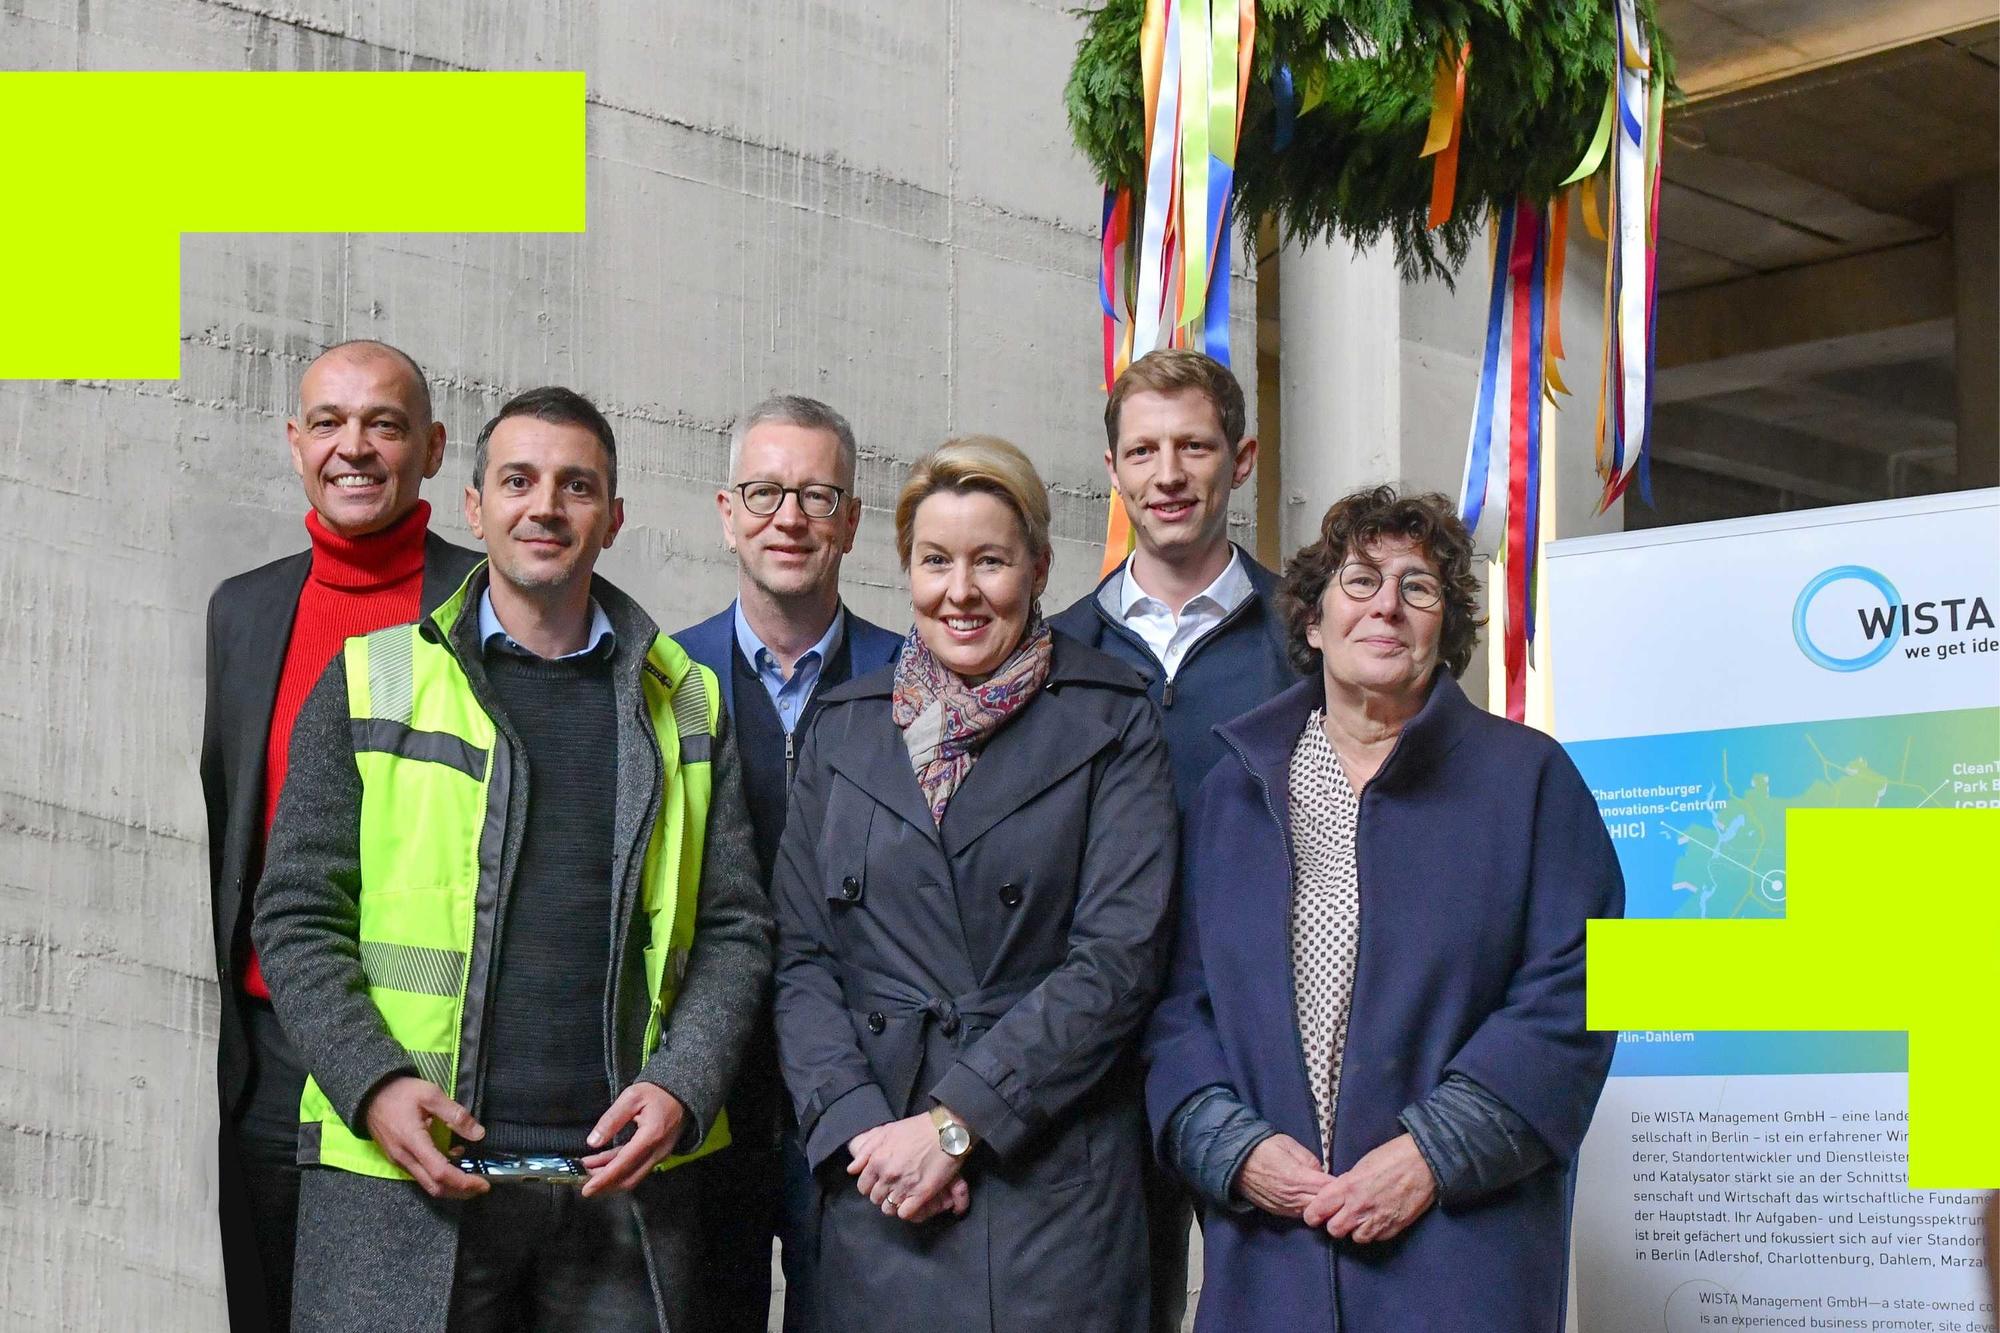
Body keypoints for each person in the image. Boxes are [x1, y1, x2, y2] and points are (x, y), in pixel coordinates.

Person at [252, 386, 773, 1332]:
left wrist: (684, 1083)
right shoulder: (375, 679)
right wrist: (375, 1082)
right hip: (411, 1185)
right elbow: (295, 912)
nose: (545, 506)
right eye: (519, 481)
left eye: (577, 487)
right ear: (475, 505)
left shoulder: (685, 701)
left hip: (619, 1194)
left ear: (612, 519)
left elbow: (736, 926)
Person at [1144, 485, 1624, 1332]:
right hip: (1271, 1256)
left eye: (1419, 587)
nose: (1387, 607)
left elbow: (1580, 995)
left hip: (1459, 1257)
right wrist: (1235, 1149)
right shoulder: (1232, 792)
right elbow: (1176, 1005)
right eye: (1360, 581)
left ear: (1447, 629)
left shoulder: (1532, 780)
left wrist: (1431, 1155)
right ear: (1315, 621)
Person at [771, 437, 1177, 1332]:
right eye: (936, 560)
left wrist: (955, 1127)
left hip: (1045, 1176)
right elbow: (800, 957)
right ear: (906, 568)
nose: (961, 591)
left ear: (1037, 566)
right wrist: (857, 1130)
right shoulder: (841, 728)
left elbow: (1117, 963)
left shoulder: (1114, 718)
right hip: (876, 1175)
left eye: (990, 560)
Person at [201, 338, 481, 1331]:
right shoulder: (243, 612)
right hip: (273, 1050)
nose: (354, 448)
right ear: (294, 442)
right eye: (329, 422)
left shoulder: (486, 606)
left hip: (430, 1055)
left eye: (385, 424)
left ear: (434, 449)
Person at [1048, 347, 1297, 1328]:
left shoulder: (1312, 637)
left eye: (1192, 446)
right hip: (1096, 1055)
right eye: (1142, 449)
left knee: (1267, 1299)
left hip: (1260, 1041)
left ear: (1238, 460)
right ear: (1111, 468)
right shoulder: (1052, 650)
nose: (1167, 474)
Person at [674, 394, 902, 1331]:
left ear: (851, 520)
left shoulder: (917, 681)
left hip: (862, 1094)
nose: (790, 517)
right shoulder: (662, 679)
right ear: (726, 511)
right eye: (764, 491)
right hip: (702, 1097)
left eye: (817, 494)